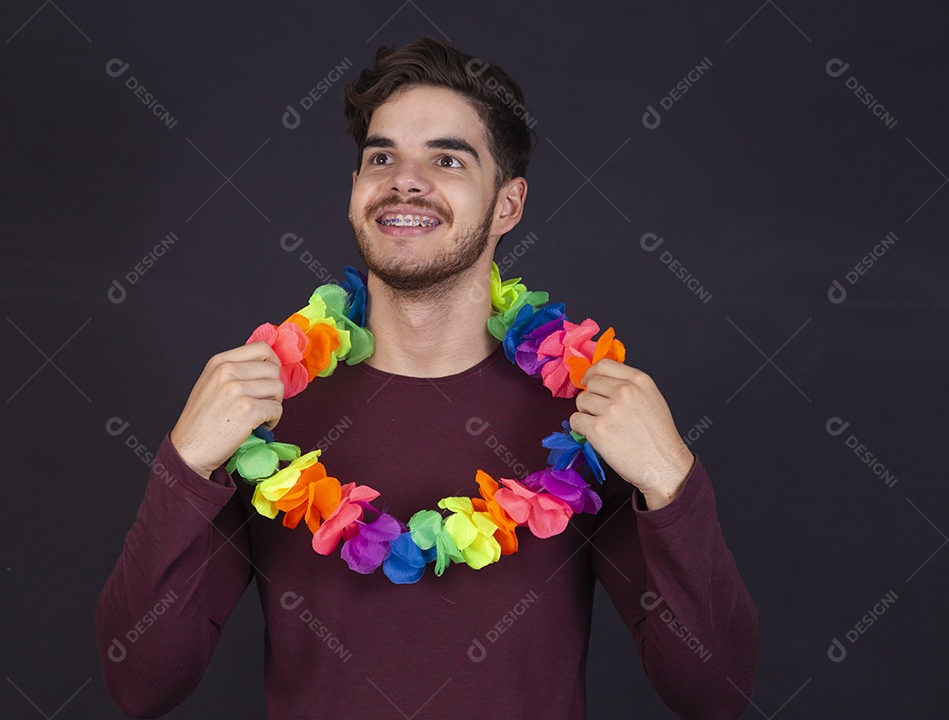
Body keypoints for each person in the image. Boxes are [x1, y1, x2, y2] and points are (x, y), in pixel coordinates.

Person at [95, 36, 759, 719]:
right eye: (381, 157)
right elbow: (142, 683)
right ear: (354, 190)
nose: (404, 181)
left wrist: (672, 481)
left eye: (447, 159)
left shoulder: (585, 415)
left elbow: (713, 694)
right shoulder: (263, 407)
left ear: (508, 204)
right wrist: (182, 464)